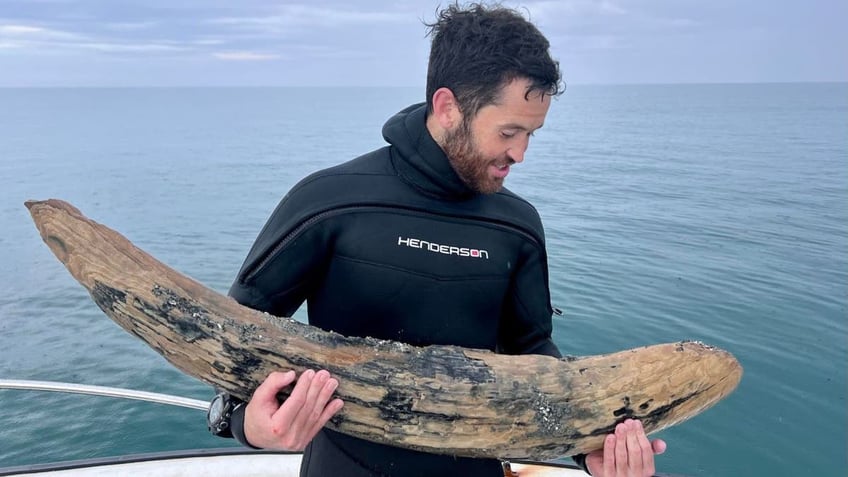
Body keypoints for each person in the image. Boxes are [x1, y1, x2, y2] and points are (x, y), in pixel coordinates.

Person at [209, 3, 666, 476]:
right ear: (448, 107)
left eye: (532, 133)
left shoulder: (517, 225)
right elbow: (230, 339)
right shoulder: (329, 202)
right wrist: (246, 424)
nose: (521, 154)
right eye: (509, 131)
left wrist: (586, 446)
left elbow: (533, 354)